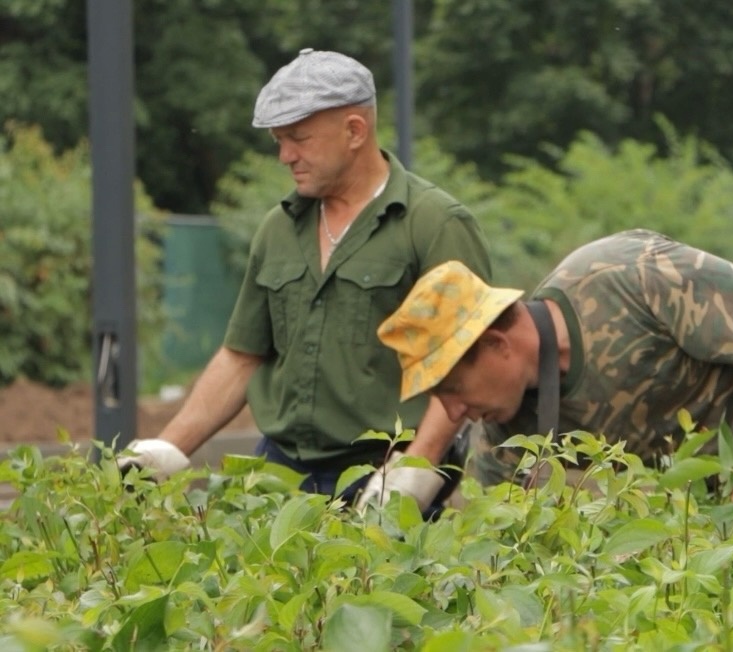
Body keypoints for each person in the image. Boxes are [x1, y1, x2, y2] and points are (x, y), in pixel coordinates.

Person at [122, 49, 491, 516]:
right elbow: (242, 356)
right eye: (279, 140)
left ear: (355, 131)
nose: (284, 155)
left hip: (383, 474)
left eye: (298, 138)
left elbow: (469, 364)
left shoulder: (434, 224)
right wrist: (168, 450)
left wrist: (416, 467)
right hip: (280, 473)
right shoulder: (279, 229)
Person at [376, 229, 733, 499]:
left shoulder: (623, 277)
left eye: (454, 388)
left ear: (496, 344)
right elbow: (511, 555)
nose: (454, 411)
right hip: (716, 474)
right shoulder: (506, 442)